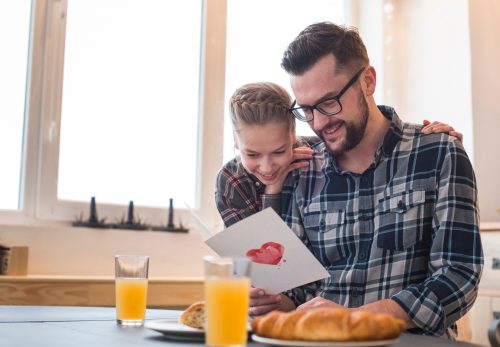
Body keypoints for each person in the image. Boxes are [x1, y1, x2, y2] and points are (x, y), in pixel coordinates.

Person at [247, 22, 483, 339]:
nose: (319, 122)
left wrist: (356, 318)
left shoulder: (439, 153)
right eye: (306, 110)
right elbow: (301, 290)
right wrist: (278, 299)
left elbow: (458, 277)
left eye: (329, 102)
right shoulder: (302, 169)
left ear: (368, 81)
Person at [216, 83, 462, 228]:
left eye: (280, 151)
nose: (267, 166)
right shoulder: (231, 182)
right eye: (252, 154)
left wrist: (435, 142)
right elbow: (264, 261)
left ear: (294, 135)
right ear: (236, 143)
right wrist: (274, 191)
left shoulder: (320, 156)